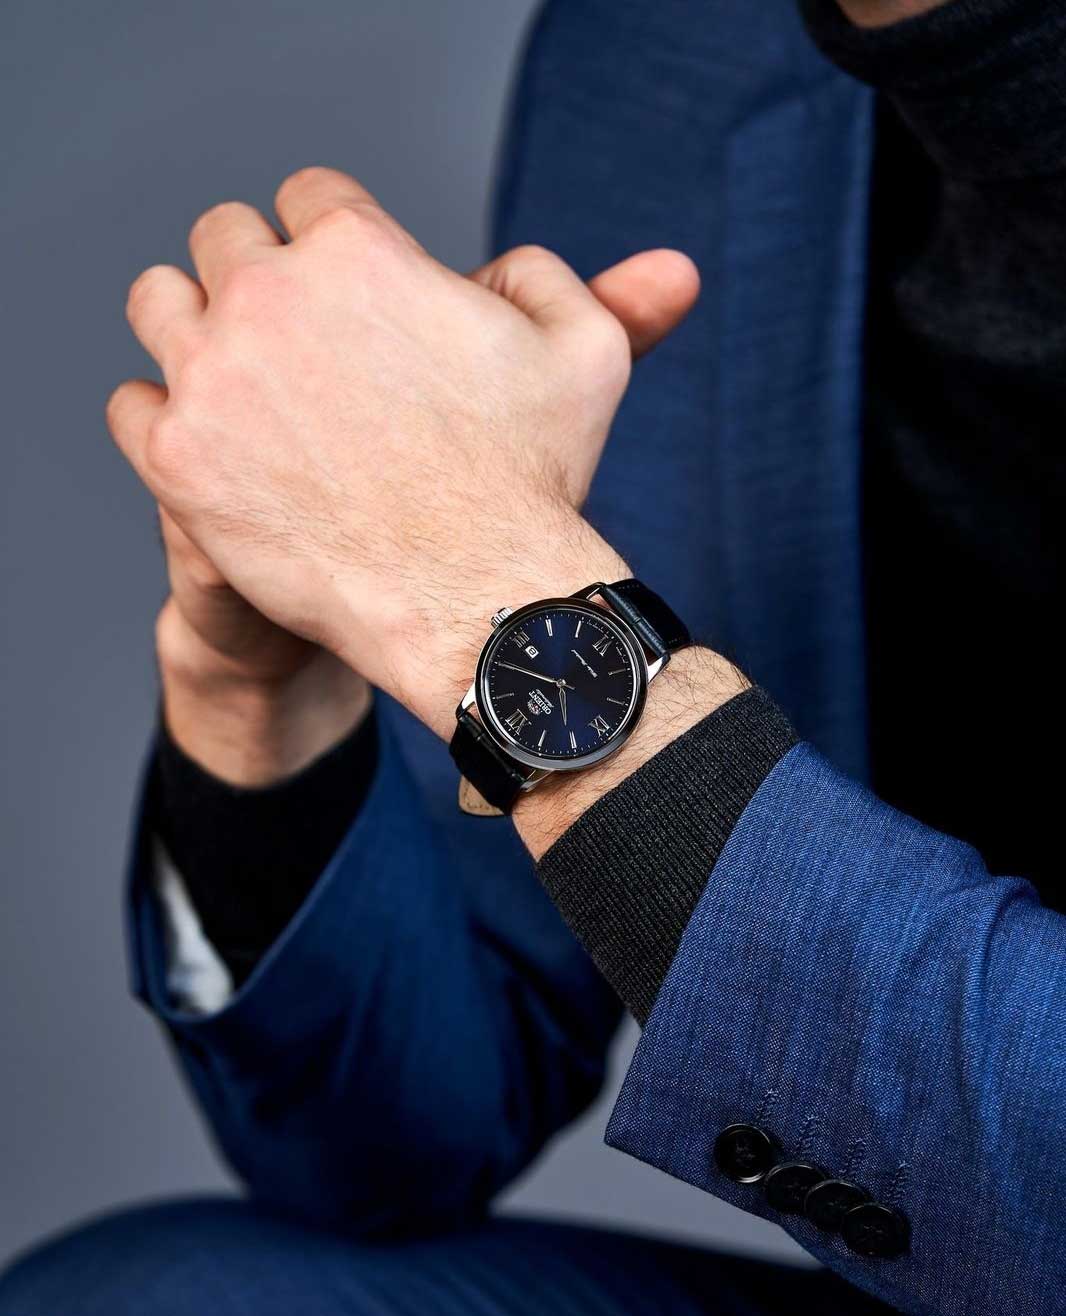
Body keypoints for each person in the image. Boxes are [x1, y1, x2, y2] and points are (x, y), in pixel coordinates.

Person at [2, 0, 1064, 1313]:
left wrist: (481, 592)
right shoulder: (665, 49)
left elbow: (501, 616)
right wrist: (262, 685)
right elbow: (391, 1151)